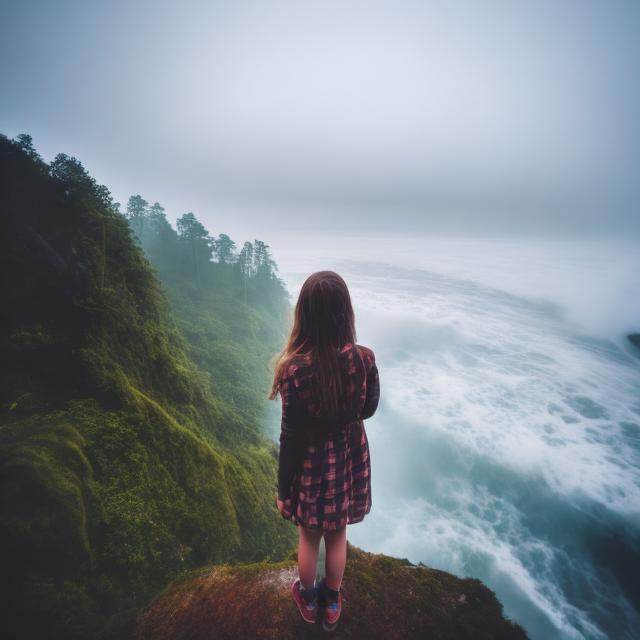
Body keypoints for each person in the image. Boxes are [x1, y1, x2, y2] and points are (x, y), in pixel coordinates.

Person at [268, 270, 380, 631]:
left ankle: (307, 597)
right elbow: (368, 409)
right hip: (348, 462)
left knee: (309, 536)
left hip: (313, 467)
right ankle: (332, 603)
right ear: (345, 313)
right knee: (338, 534)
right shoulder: (364, 359)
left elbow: (291, 436)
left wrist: (284, 490)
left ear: (304, 315)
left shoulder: (294, 371)